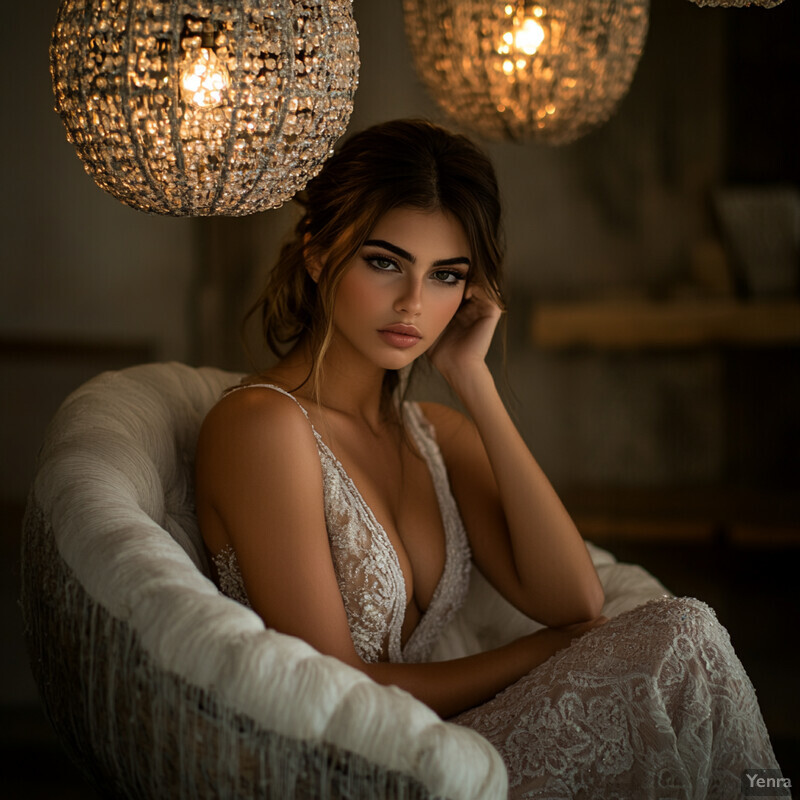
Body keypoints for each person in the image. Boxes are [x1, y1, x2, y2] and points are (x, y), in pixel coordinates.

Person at [195, 119, 782, 797]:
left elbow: (573, 595)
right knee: (685, 634)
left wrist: (476, 382)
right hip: (354, 768)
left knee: (689, 633)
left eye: (446, 275)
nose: (415, 303)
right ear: (320, 253)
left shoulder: (433, 436)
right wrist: (546, 651)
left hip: (455, 747)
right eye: (384, 262)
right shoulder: (262, 428)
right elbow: (337, 686)